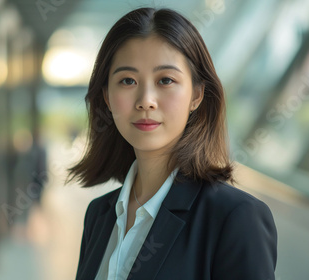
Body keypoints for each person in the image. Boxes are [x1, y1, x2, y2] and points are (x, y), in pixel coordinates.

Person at [65, 7, 277, 280]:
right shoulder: (99, 215)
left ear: (197, 95)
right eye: (127, 80)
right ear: (106, 96)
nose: (146, 100)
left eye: (166, 80)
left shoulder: (235, 218)